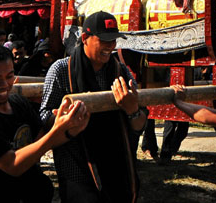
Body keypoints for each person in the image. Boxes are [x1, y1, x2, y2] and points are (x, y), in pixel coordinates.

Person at [0, 44, 89, 203]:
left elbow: (41, 141)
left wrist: (69, 129)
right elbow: (13, 165)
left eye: (9, 76)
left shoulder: (18, 103)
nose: (5, 85)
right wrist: (58, 130)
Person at [40, 11, 147, 202]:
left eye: (113, 40)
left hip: (115, 163)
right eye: (104, 40)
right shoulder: (61, 69)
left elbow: (139, 124)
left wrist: (132, 110)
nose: (110, 46)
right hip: (76, 165)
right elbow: (44, 116)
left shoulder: (120, 71)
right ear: (85, 38)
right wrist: (61, 119)